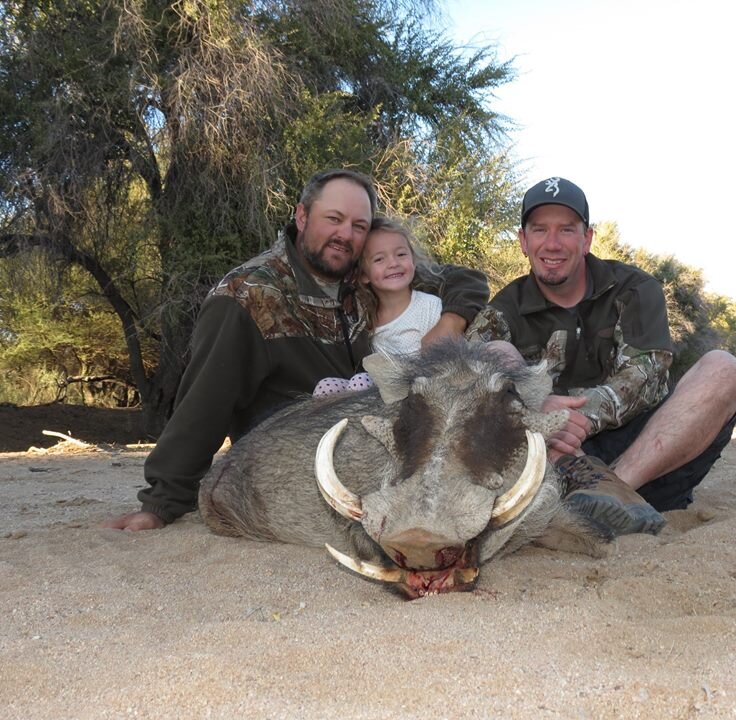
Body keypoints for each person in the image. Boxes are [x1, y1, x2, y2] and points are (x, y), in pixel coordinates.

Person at [105, 169, 488, 531]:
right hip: (294, 460)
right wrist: (161, 503)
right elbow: (204, 400)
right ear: (302, 216)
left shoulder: (363, 274)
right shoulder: (247, 296)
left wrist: (450, 322)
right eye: (333, 219)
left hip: (377, 449)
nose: (345, 235)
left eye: (359, 226)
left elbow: (462, 278)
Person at [466, 176, 736, 536]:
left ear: (587, 239)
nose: (552, 243)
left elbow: (646, 374)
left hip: (646, 459)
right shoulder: (502, 310)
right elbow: (467, 380)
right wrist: (535, 410)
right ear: (523, 241)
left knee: (724, 368)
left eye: (567, 230)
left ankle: (615, 494)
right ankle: (583, 501)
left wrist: (569, 415)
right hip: (550, 463)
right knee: (493, 355)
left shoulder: (636, 288)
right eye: (540, 230)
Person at [312, 217, 441, 397]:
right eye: (379, 259)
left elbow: (440, 361)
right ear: (364, 275)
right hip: (376, 390)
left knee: (360, 383)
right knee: (325, 386)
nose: (393, 263)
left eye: (401, 254)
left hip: (416, 392)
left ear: (413, 261)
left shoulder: (428, 306)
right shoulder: (365, 318)